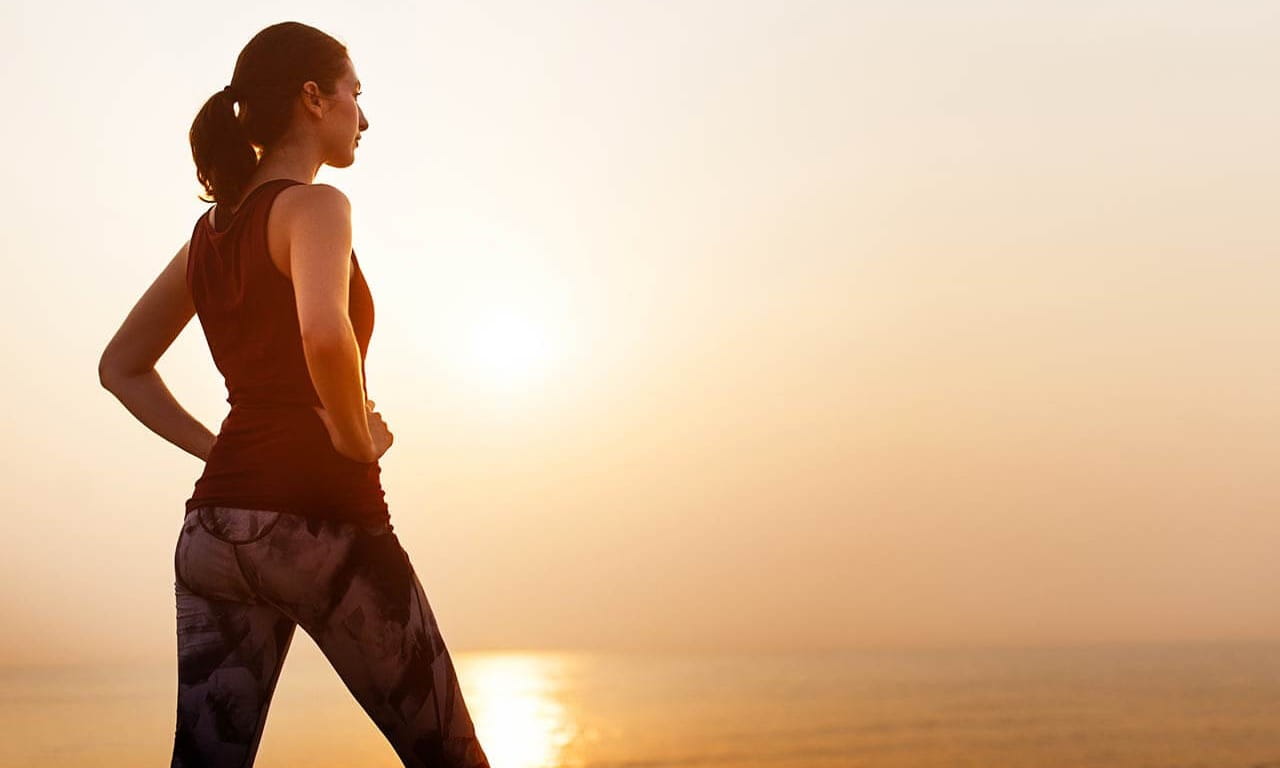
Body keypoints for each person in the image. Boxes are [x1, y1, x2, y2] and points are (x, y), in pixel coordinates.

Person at [96, 21, 492, 768]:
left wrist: (222, 453)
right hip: (322, 523)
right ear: (314, 98)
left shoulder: (211, 234)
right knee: (451, 756)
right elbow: (323, 334)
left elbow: (121, 366)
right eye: (355, 94)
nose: (365, 117)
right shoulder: (317, 208)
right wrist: (352, 438)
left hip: (213, 532)